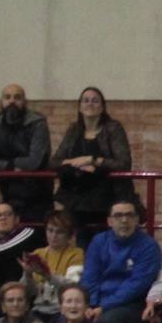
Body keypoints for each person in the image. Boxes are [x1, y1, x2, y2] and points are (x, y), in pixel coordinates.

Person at [82, 198, 160, 323]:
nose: (124, 220)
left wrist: (103, 307)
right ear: (109, 221)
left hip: (132, 304)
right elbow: (90, 276)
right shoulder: (99, 242)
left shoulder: (149, 246)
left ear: (136, 220)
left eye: (129, 215)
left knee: (108, 322)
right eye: (118, 216)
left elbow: (137, 285)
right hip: (98, 302)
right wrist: (90, 304)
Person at [50, 87, 135, 246]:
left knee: (104, 244)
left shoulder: (113, 128)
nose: (90, 104)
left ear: (102, 107)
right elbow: (54, 161)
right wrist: (75, 163)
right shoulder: (73, 130)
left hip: (105, 199)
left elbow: (123, 163)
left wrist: (93, 160)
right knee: (78, 244)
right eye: (86, 100)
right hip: (75, 200)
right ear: (80, 106)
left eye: (95, 100)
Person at [0, 85, 52, 223]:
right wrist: (9, 166)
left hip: (38, 195)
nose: (12, 101)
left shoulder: (37, 123)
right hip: (8, 194)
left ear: (25, 102)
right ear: (1, 102)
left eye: (17, 97)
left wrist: (1, 164)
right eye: (7, 97)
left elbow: (35, 161)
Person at [24, 211, 85, 321]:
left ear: (69, 235)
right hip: (38, 309)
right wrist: (27, 274)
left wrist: (47, 276)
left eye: (60, 232)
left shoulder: (77, 254)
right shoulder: (37, 253)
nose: (53, 236)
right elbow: (29, 292)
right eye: (50, 230)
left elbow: (71, 287)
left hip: (62, 310)